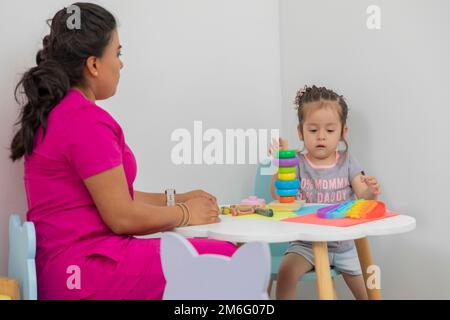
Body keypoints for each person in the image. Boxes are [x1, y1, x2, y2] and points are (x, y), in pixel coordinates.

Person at [10, 2, 236, 300]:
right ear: (93, 64)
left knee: (216, 255)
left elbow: (115, 197)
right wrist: (184, 213)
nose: (121, 64)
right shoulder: (85, 120)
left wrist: (178, 198)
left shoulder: (57, 113)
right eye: (117, 53)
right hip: (87, 272)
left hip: (68, 268)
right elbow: (122, 217)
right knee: (226, 258)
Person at [270, 85, 381, 300]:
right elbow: (278, 194)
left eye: (329, 130)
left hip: (344, 244)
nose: (321, 136)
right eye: (313, 130)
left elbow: (363, 195)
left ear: (342, 132)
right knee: (285, 273)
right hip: (305, 244)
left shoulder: (347, 160)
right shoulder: (298, 163)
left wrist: (371, 190)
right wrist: (283, 164)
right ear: (300, 131)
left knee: (365, 291)